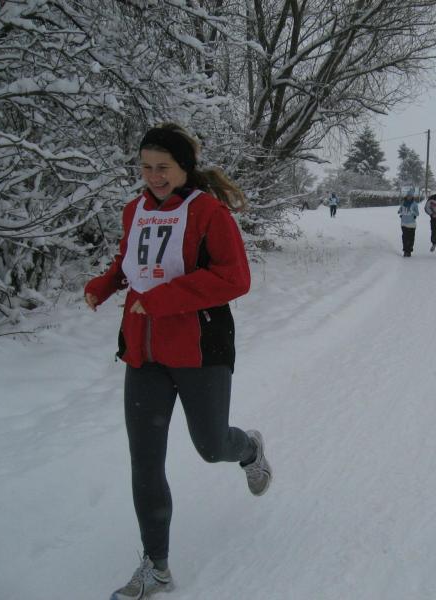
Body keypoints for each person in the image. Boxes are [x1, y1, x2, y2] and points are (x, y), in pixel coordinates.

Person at [84, 123, 272, 600]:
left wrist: (164, 299)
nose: (154, 176)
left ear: (184, 167)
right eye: (146, 167)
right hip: (144, 352)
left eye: (163, 167)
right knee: (145, 459)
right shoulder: (135, 210)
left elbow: (235, 278)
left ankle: (249, 450)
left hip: (199, 348)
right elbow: (131, 261)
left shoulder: (209, 212)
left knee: (211, 445)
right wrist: (106, 284)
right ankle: (157, 566)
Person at [398, 188, 419, 257]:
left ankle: (409, 251)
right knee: (404, 237)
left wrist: (412, 211)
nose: (409, 197)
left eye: (410, 196)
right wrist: (400, 212)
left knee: (411, 238)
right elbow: (400, 209)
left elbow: (417, 213)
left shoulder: (414, 204)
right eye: (408, 196)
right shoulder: (403, 202)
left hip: (411, 224)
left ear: (412, 197)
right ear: (406, 196)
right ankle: (405, 251)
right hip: (404, 223)